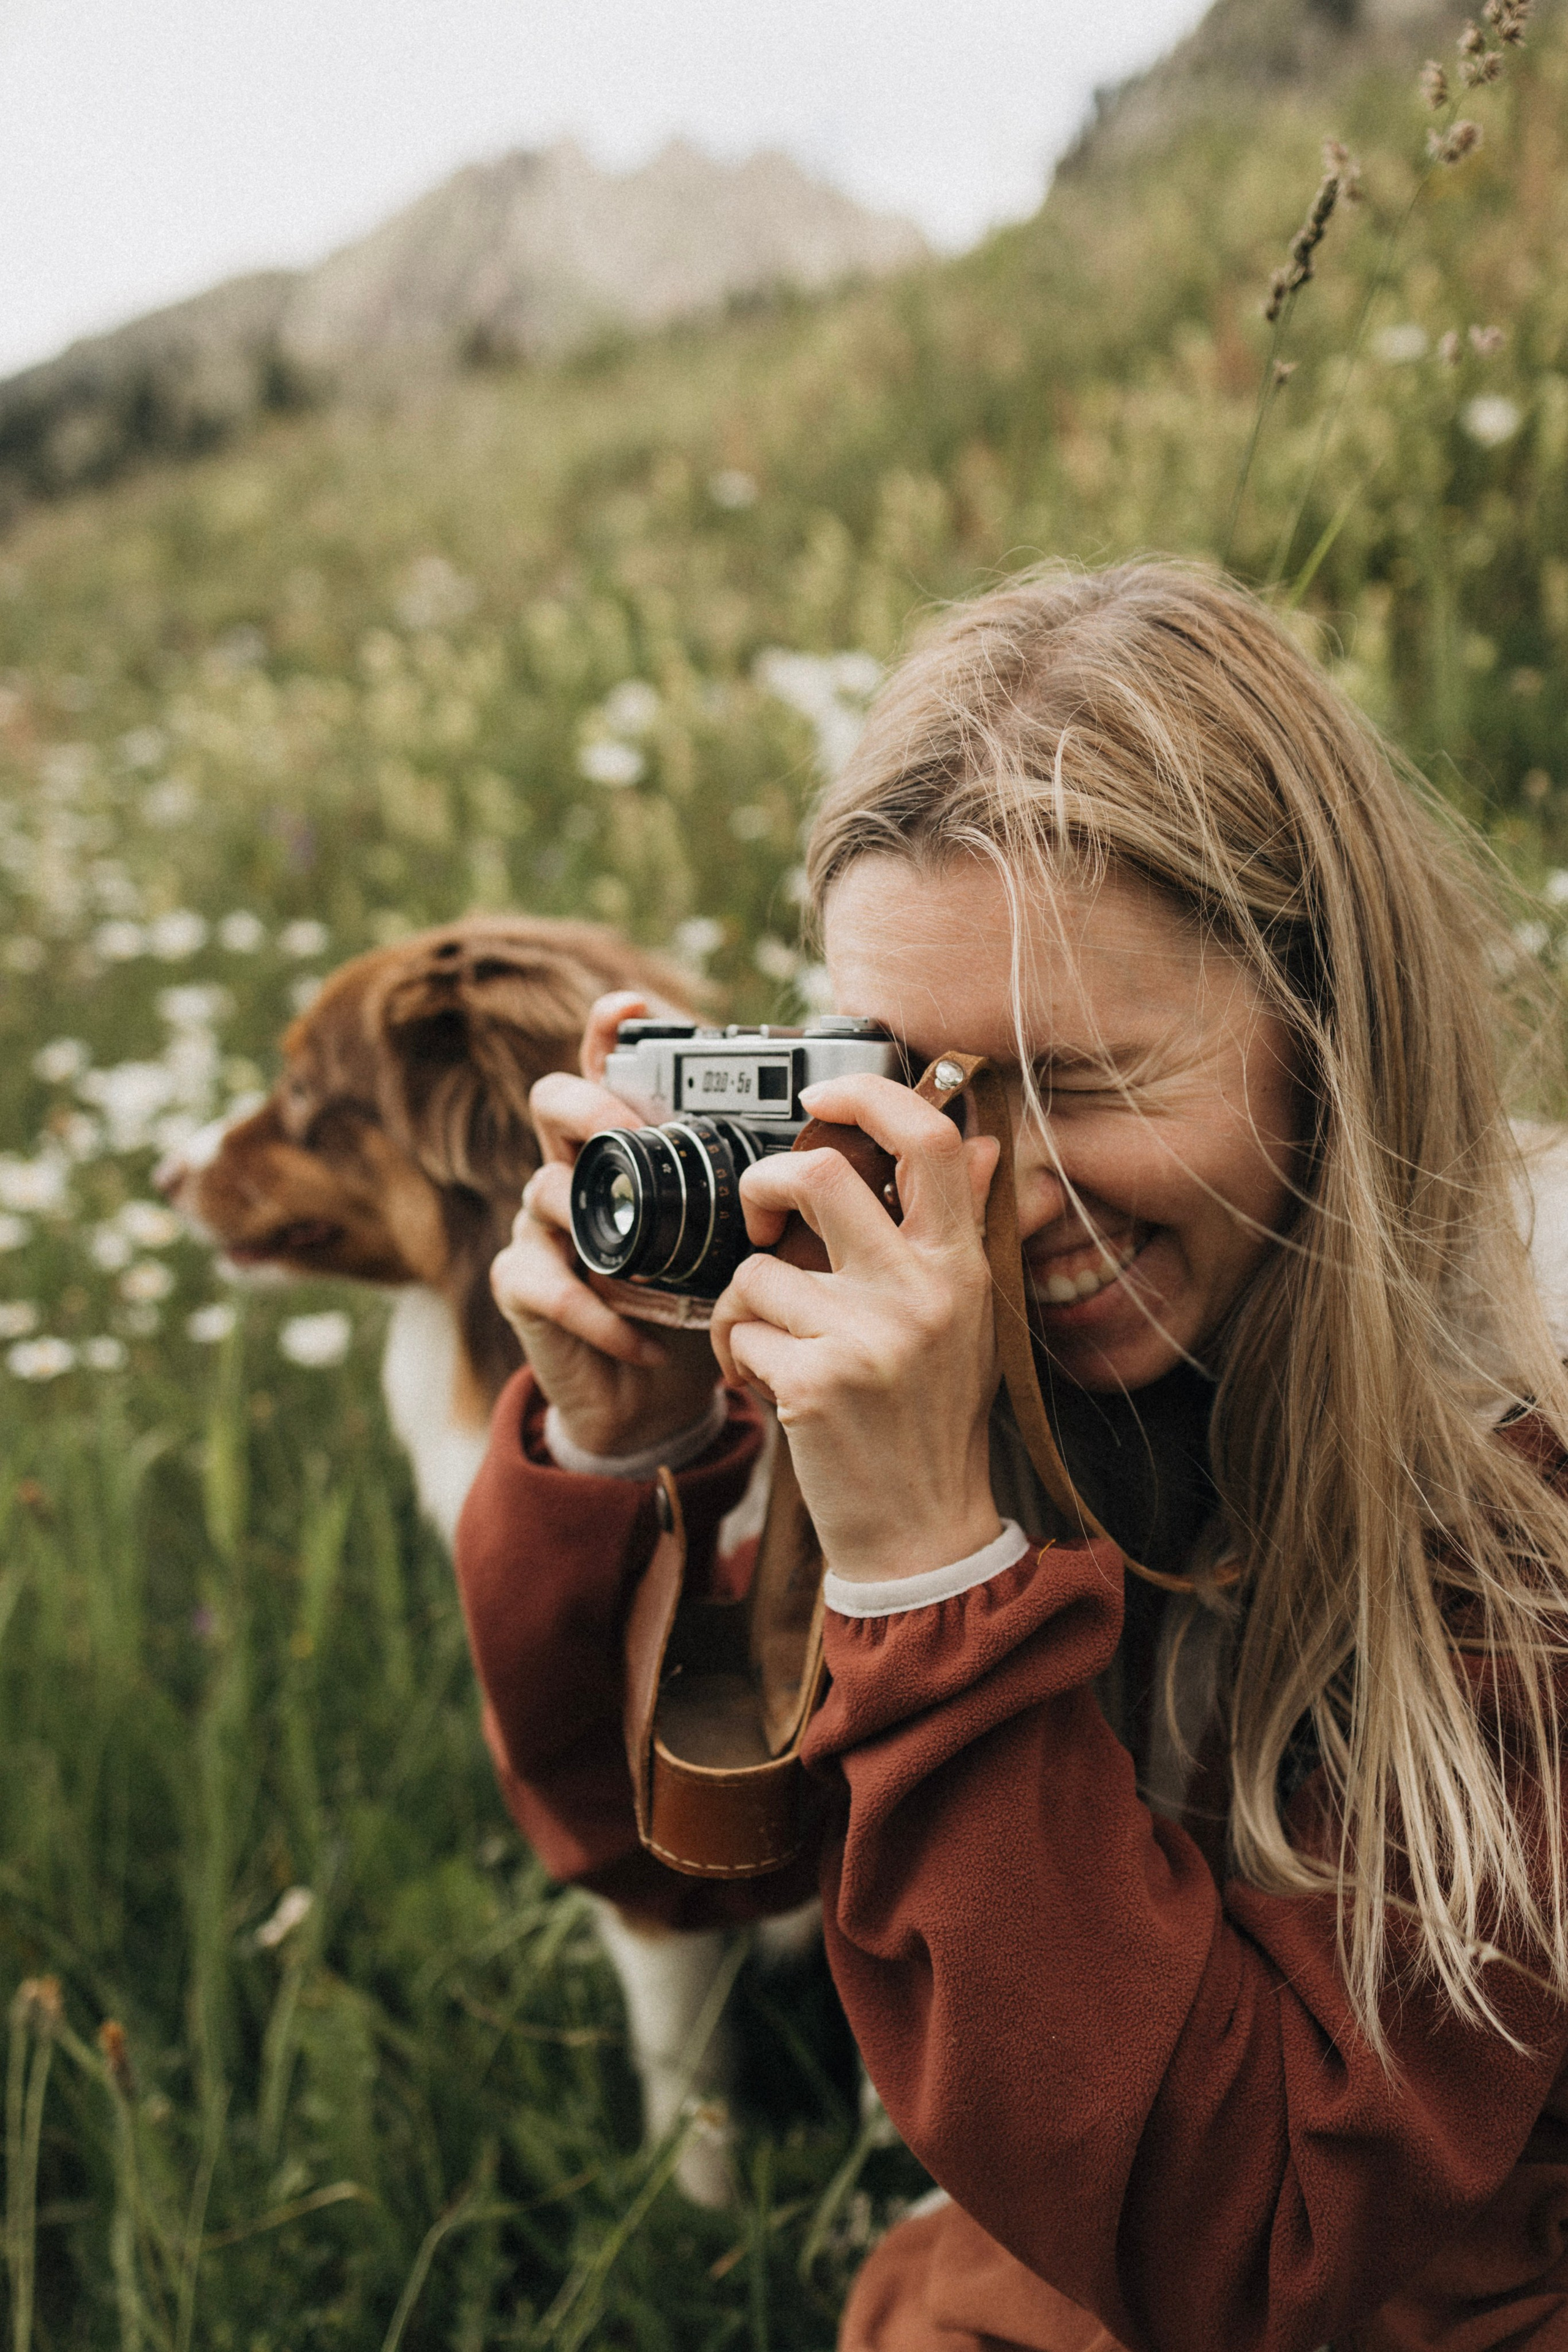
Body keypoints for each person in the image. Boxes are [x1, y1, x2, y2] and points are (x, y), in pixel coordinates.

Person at [454, 561, 1568, 2350]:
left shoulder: (1526, 1440)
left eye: (1088, 1084)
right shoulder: (967, 1319)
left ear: (1327, 1026)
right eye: (928, 1085)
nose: (1002, 1200)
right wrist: (635, 1456)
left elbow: (1279, 2252)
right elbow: (682, 1862)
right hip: (1101, 2200)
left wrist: (933, 1581)